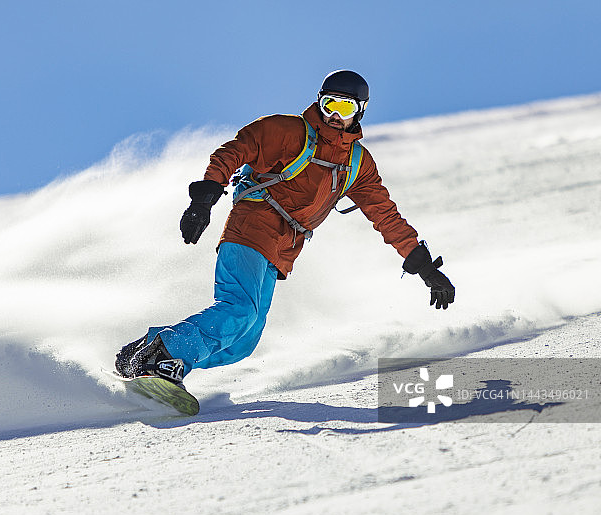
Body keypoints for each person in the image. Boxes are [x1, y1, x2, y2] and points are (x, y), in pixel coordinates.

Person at [115, 69, 455, 386]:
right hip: (252, 225)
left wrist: (422, 265)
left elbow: (385, 214)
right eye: (329, 104)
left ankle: (151, 351)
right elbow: (235, 150)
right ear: (319, 102)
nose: (335, 114)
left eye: (344, 107)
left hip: (282, 249)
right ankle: (165, 356)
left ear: (360, 112)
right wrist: (205, 198)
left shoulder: (357, 163)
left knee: (243, 342)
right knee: (238, 309)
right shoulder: (288, 131)